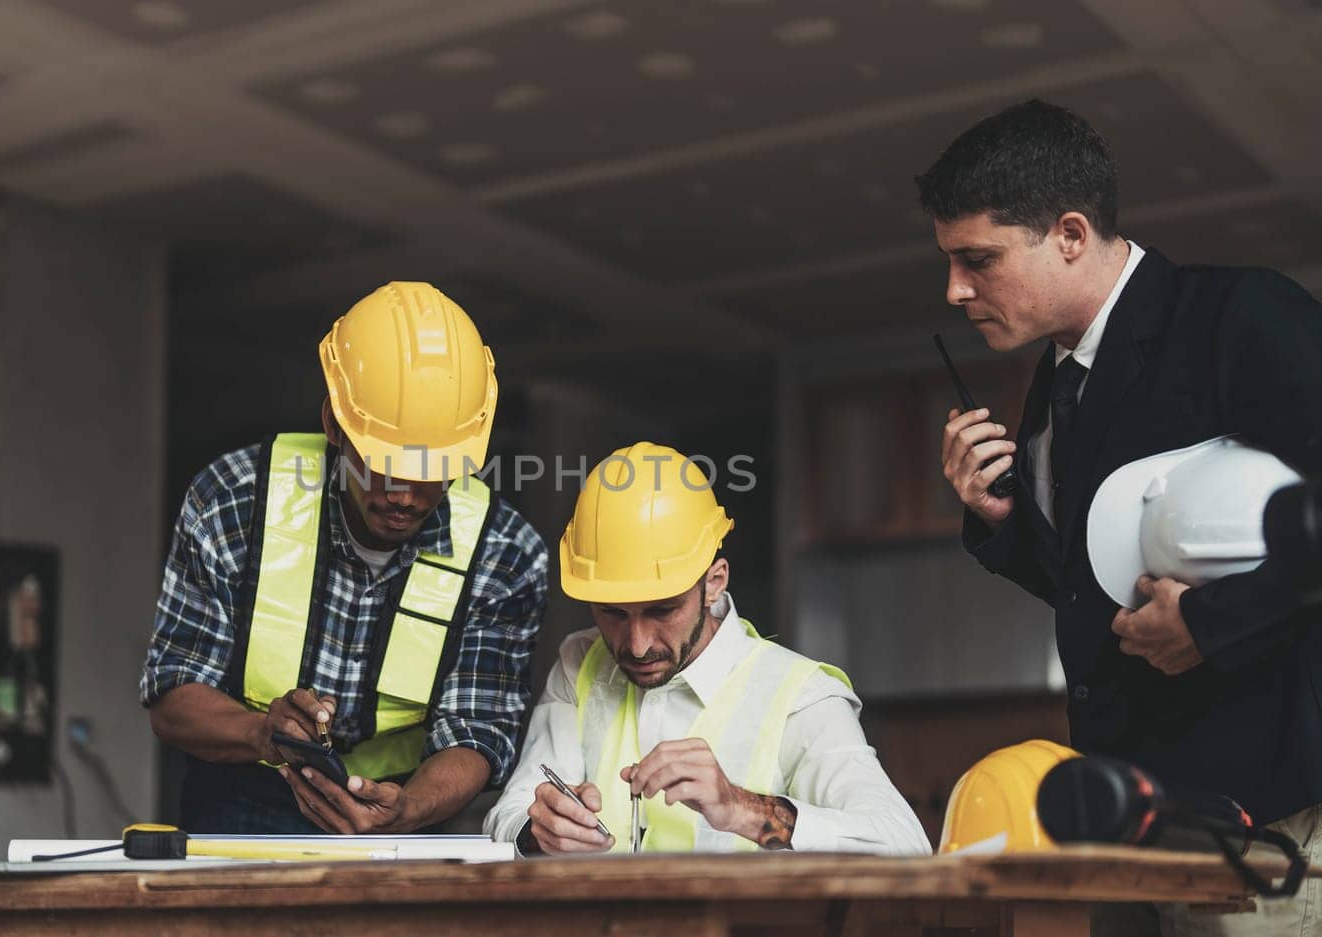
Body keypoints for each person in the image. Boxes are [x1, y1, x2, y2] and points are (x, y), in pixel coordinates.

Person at [922, 99, 1322, 934]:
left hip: (1274, 819)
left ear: (1070, 233)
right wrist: (1000, 520)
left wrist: (1210, 622)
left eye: (978, 259)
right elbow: (1097, 590)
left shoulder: (1241, 316)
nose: (955, 289)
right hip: (1132, 821)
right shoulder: (1056, 378)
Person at [141, 281, 549, 835]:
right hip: (244, 797)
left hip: (408, 807)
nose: (405, 494)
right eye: (382, 463)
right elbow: (172, 694)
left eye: (432, 470)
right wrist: (263, 732)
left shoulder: (505, 553)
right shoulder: (234, 499)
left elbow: (478, 730)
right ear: (334, 424)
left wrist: (406, 811)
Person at [484, 442, 929, 856]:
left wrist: (744, 809)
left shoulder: (802, 697)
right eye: (613, 613)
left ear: (714, 582)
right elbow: (505, 818)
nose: (636, 646)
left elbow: (905, 843)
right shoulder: (578, 663)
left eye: (662, 610)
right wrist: (537, 831)